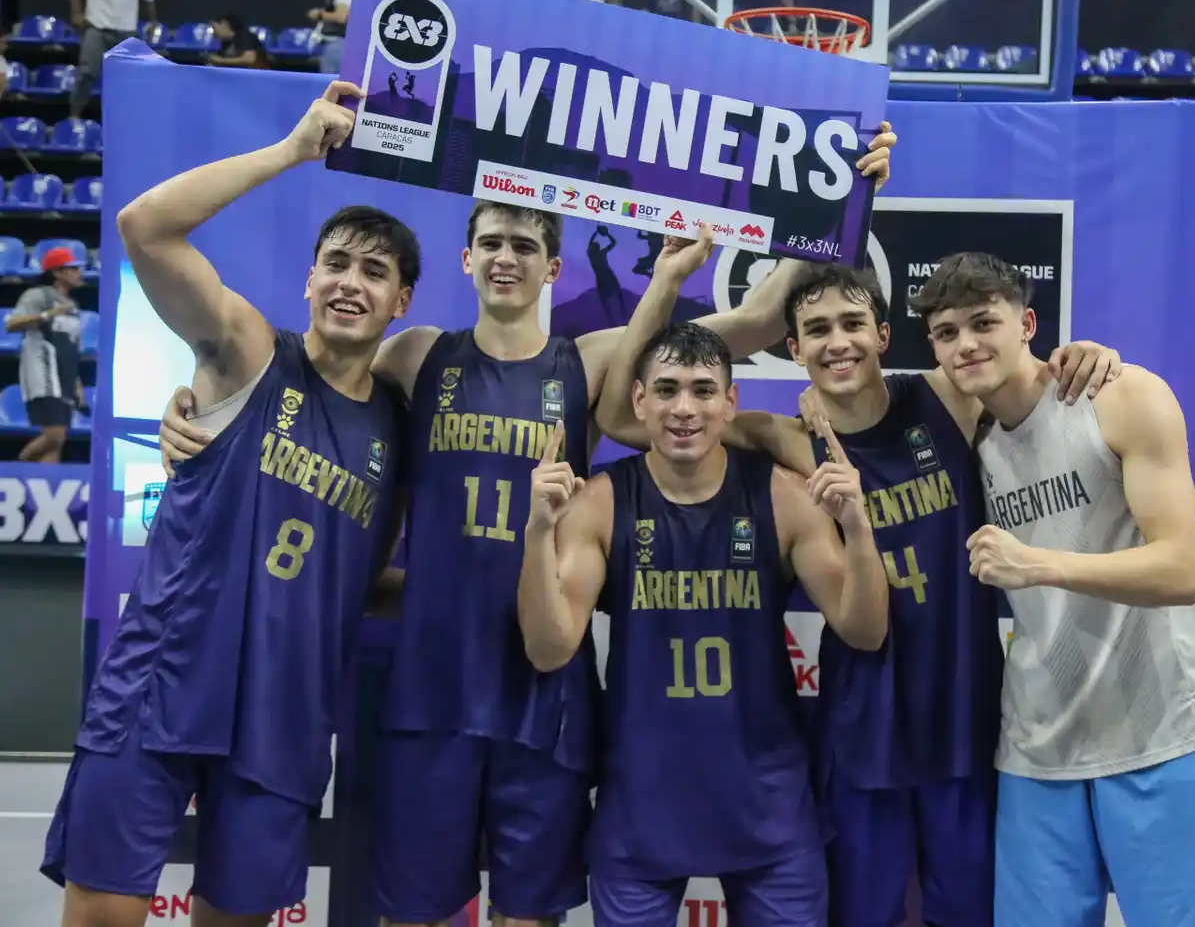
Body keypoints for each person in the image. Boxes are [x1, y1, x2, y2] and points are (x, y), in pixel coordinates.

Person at [155, 130, 898, 927]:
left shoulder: (591, 361)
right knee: (413, 915)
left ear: (552, 268)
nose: (505, 257)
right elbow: (309, 374)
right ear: (467, 258)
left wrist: (845, 197)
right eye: (491, 243)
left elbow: (753, 318)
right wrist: (202, 401)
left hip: (544, 694)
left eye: (524, 245)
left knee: (527, 917)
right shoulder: (415, 355)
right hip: (431, 690)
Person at [594, 257, 1121, 927]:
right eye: (816, 329)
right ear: (793, 349)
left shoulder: (946, 398)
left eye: (851, 323)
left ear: (883, 334)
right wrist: (681, 287)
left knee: (968, 914)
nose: (836, 341)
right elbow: (623, 415)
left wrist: (1085, 356)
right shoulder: (789, 439)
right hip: (861, 725)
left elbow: (1021, 373)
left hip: (965, 716)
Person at [40, 80, 418, 927]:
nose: (350, 283)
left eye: (375, 271)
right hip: (162, 681)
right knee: (101, 915)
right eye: (336, 263)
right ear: (310, 279)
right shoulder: (248, 349)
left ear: (402, 303)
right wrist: (289, 151)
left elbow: (361, 583)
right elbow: (144, 226)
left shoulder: (396, 430)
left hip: (284, 713)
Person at [911, 252, 1195, 927]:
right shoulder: (963, 432)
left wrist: (1039, 565)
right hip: (1037, 744)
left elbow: (1183, 570)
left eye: (984, 323)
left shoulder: (1120, 398)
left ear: (1027, 324)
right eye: (947, 333)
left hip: (1158, 727)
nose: (966, 344)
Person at [518, 313, 890, 927]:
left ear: (730, 403)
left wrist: (857, 525)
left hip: (768, 805)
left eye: (703, 390)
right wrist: (537, 532)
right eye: (666, 390)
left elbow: (865, 630)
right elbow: (548, 648)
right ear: (640, 401)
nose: (684, 408)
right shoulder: (601, 502)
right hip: (640, 805)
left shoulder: (782, 495)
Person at [6, 247, 86, 463]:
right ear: (57, 272)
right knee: (54, 435)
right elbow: (12, 324)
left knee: (58, 442)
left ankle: (44, 479)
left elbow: (71, 348)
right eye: (73, 268)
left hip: (64, 377)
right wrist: (47, 315)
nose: (79, 273)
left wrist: (77, 382)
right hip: (43, 374)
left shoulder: (73, 306)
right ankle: (12, 471)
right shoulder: (36, 295)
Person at [67, 0, 156, 119]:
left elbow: (149, 0)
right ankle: (74, 116)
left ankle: (122, 120)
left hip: (126, 33)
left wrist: (153, 22)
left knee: (126, 79)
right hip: (97, 27)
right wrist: (76, 12)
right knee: (87, 73)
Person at [309, 0, 353, 75]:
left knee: (330, 81)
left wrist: (319, 14)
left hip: (337, 44)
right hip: (330, 44)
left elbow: (342, 17)